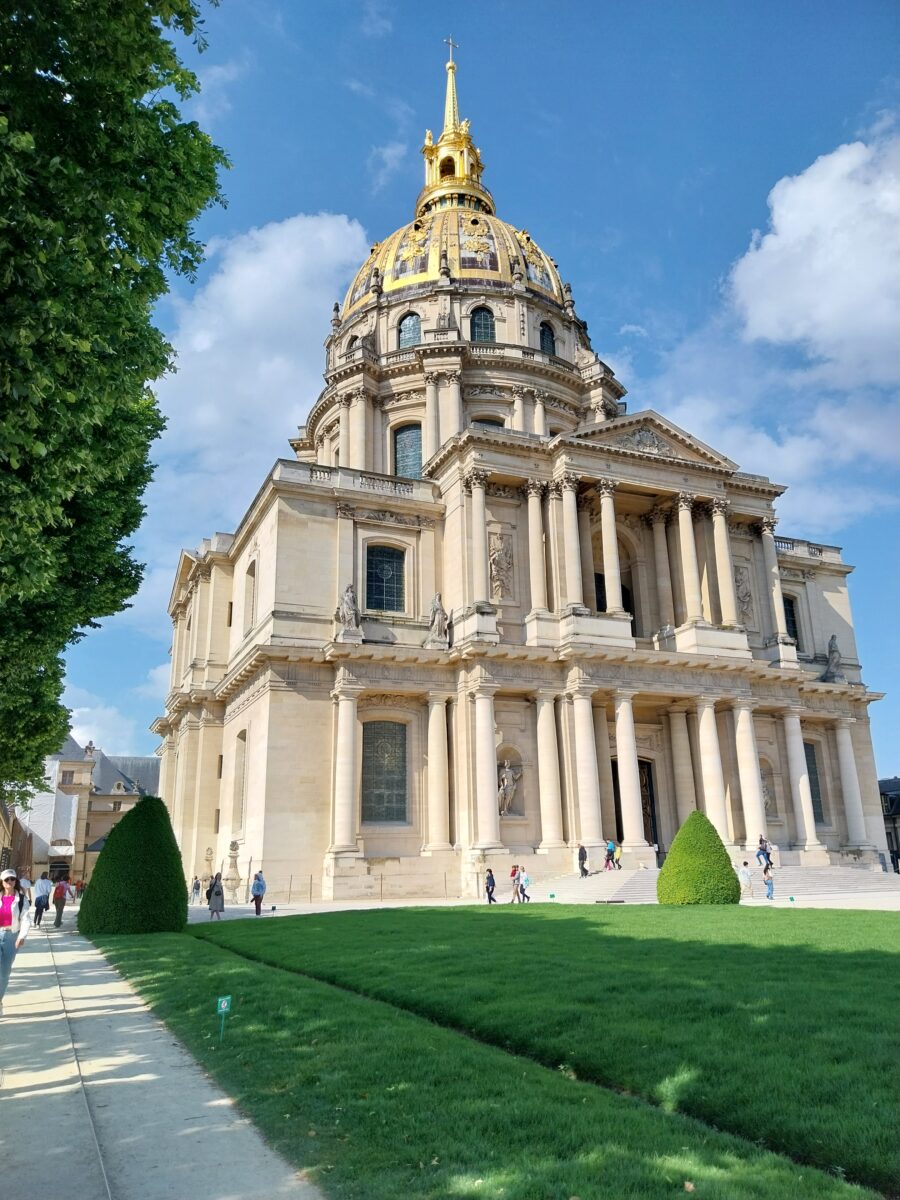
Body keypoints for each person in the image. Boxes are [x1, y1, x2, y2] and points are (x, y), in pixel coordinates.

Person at [1, 868, 32, 1015]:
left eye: (12, 879)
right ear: (2, 881)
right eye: (7, 879)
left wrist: (22, 936)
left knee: (4, 973)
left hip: (11, 938)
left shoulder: (21, 900)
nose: (10, 882)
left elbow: (25, 919)